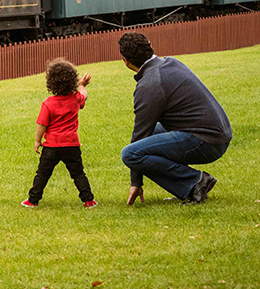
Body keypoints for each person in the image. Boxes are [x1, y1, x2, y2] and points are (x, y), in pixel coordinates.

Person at [118, 32, 231, 205]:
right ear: (150, 47)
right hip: (216, 132)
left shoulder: (150, 84)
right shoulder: (171, 62)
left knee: (130, 153)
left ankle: (195, 182)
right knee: (150, 135)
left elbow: (139, 135)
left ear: (125, 61)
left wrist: (136, 182)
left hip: (207, 141)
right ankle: (190, 185)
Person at [22, 58, 97, 208]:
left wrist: (38, 141)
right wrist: (82, 86)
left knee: (43, 174)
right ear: (72, 80)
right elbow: (84, 95)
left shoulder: (48, 103)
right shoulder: (75, 98)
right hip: (71, 145)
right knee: (78, 173)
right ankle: (88, 200)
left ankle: (32, 200)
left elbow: (42, 125)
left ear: (51, 82)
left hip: (51, 146)